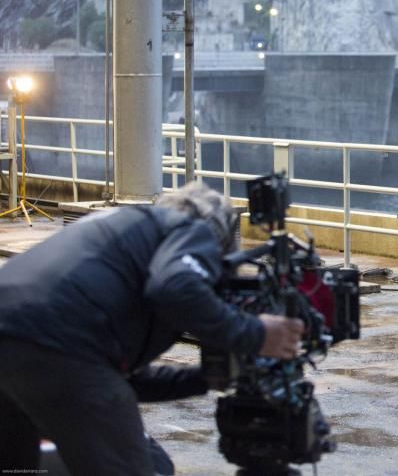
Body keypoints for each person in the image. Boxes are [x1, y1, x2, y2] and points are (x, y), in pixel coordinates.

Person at [0, 182, 306, 475]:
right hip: (59, 346)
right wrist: (257, 333)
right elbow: (176, 287)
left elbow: (118, 381)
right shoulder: (194, 228)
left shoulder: (127, 236)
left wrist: (204, 379)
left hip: (16, 339)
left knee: (16, 464)